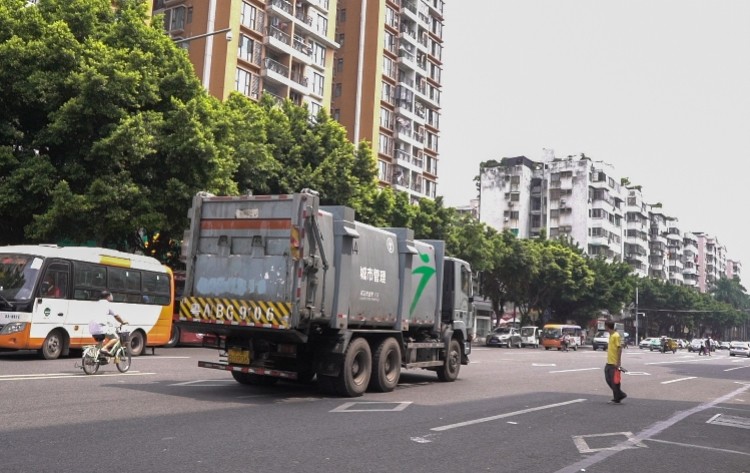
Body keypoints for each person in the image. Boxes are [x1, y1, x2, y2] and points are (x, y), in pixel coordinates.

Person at [88, 291, 127, 355]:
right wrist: (123, 322)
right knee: (116, 338)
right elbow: (116, 316)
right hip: (100, 328)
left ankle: (97, 356)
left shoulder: (96, 304)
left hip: (91, 328)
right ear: (108, 297)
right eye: (111, 295)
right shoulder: (108, 304)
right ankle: (105, 348)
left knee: (101, 343)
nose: (112, 297)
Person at [604, 321, 627, 404]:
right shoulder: (611, 335)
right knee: (609, 379)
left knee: (614, 381)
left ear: (607, 326)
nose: (605, 328)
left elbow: (619, 348)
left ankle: (618, 397)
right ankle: (619, 395)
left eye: (605, 326)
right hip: (609, 361)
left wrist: (618, 361)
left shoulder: (616, 335)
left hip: (614, 362)